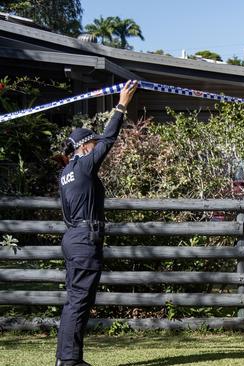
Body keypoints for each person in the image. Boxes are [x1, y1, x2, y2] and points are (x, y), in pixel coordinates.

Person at [55, 80, 138, 366]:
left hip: (73, 239)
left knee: (74, 302)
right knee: (79, 302)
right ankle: (69, 362)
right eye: (91, 143)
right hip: (83, 241)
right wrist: (121, 105)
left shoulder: (66, 172)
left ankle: (65, 359)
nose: (95, 147)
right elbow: (108, 140)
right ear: (84, 146)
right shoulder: (85, 164)